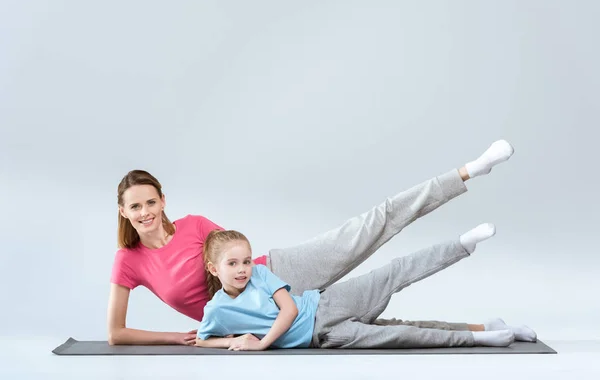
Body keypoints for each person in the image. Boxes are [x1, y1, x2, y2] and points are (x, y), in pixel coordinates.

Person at [108, 139, 517, 346]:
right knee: (384, 329)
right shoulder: (129, 260)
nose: (145, 212)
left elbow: (236, 256)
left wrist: (258, 276)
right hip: (261, 320)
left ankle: (469, 171)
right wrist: (177, 336)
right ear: (123, 212)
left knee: (373, 223)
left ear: (163, 201)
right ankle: (481, 330)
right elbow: (116, 332)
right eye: (135, 207)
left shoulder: (195, 225)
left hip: (282, 271)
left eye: (150, 202)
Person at [196, 228, 537, 350]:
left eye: (245, 261)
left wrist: (261, 344)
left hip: (327, 305)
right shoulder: (217, 309)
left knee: (393, 273)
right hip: (326, 338)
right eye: (232, 264)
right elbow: (202, 338)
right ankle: (482, 335)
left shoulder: (259, 275)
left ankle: (462, 244)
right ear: (214, 269)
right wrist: (232, 341)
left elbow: (290, 309)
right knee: (406, 335)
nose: (242, 269)